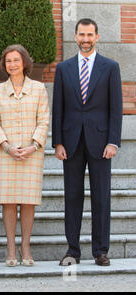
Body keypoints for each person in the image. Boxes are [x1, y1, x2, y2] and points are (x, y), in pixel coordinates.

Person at [52, 18, 122, 267]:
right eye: (81, 34)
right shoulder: (63, 68)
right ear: (75, 36)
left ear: (97, 36)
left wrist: (113, 141)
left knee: (101, 197)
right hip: (70, 142)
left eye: (90, 34)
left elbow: (116, 108)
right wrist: (57, 142)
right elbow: (57, 107)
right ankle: (72, 251)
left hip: (101, 142)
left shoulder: (110, 67)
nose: (85, 39)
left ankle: (100, 251)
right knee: (72, 196)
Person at [0, 44, 50, 267]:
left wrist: (34, 146)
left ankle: (26, 247)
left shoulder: (39, 89)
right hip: (7, 154)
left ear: (24, 62)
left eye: (16, 60)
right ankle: (11, 249)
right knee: (9, 201)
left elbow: (43, 120)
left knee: (28, 201)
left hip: (32, 154)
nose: (12, 64)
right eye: (8, 61)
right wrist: (7, 147)